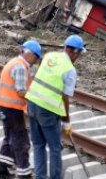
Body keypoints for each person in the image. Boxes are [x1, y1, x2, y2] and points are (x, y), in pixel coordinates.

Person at [25, 35, 85, 179]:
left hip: (32, 104)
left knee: (38, 145)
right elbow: (65, 98)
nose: (78, 57)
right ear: (74, 52)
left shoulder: (49, 56)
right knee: (55, 147)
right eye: (79, 54)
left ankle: (40, 177)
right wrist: (66, 121)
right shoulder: (70, 70)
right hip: (47, 110)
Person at [0, 40, 42, 179]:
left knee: (9, 138)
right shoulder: (20, 67)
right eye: (36, 57)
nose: (36, 61)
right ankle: (24, 174)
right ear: (29, 54)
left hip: (4, 106)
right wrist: (36, 100)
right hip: (11, 109)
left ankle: (1, 170)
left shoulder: (14, 62)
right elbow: (21, 91)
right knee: (21, 140)